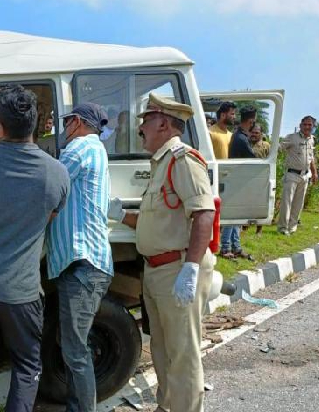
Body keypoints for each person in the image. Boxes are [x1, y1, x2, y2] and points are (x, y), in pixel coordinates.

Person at [0, 84, 69, 412]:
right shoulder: (57, 173)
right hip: (18, 291)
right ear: (36, 124)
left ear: (0, 127)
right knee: (26, 363)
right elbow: (47, 217)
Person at [108, 93, 215, 412]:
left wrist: (191, 268)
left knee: (182, 352)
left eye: (146, 123)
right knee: (162, 348)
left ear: (164, 124)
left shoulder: (183, 159)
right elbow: (158, 220)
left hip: (177, 267)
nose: (140, 130)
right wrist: (120, 216)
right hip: (157, 270)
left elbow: (204, 213)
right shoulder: (162, 163)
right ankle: (167, 406)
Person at [47, 103, 113, 412]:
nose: (65, 130)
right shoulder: (94, 149)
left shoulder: (80, 149)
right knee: (74, 346)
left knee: (75, 350)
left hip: (82, 263)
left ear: (76, 123)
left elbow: (49, 183)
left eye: (67, 123)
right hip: (85, 264)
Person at [219, 106, 257, 260]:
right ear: (251, 120)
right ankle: (226, 247)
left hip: (236, 179)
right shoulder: (241, 138)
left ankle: (236, 247)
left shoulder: (238, 135)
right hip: (236, 180)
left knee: (237, 218)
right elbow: (253, 159)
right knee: (233, 216)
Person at [277, 115, 318, 235]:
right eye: (305, 124)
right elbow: (279, 147)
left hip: (305, 176)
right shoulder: (292, 137)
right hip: (292, 174)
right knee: (287, 202)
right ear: (300, 125)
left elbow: (311, 158)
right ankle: (283, 228)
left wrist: (314, 172)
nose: (307, 127)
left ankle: (292, 227)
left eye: (310, 125)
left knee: (298, 204)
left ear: (313, 126)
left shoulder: (312, 139)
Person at [249, 122, 270, 236]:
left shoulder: (266, 145)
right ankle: (244, 226)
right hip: (247, 177)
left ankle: (259, 229)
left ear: (261, 134)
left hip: (261, 177)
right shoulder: (245, 143)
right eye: (252, 132)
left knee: (260, 203)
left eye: (257, 133)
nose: (254, 135)